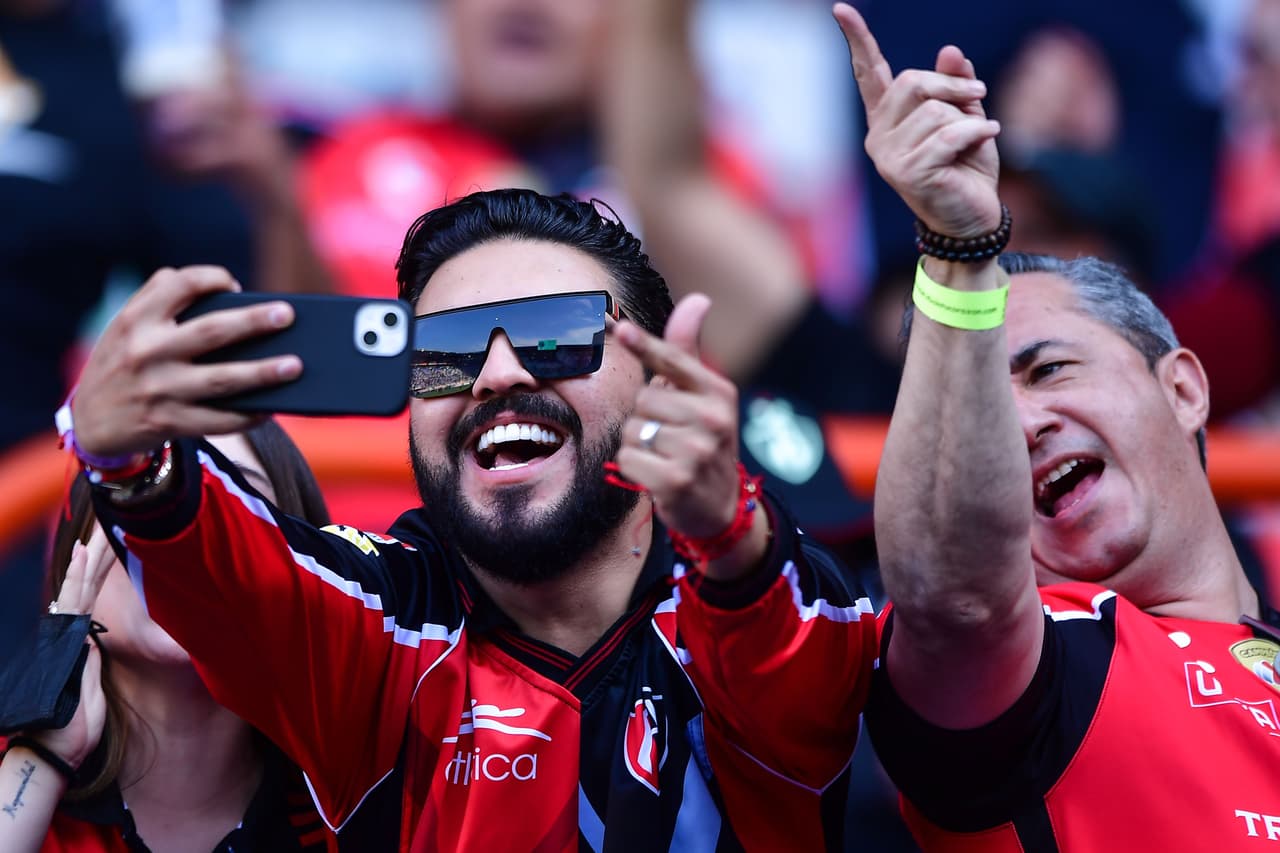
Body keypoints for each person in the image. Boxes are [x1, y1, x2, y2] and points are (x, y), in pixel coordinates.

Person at [62, 189, 877, 850]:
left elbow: (780, 637)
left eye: (557, 335)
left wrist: (726, 534)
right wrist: (125, 455)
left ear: (662, 380)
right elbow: (216, 554)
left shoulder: (775, 588)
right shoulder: (373, 628)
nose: (497, 373)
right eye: (445, 354)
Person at [832, 4, 1280, 850]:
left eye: (1048, 370)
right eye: (986, 416)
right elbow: (954, 596)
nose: (1023, 427)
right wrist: (957, 249)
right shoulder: (1026, 667)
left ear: (1183, 388)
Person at [0, 419, 336, 852]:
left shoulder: (364, 797)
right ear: (76, 547)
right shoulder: (14, 770)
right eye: (143, 488)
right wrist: (45, 756)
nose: (178, 536)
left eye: (229, 498)